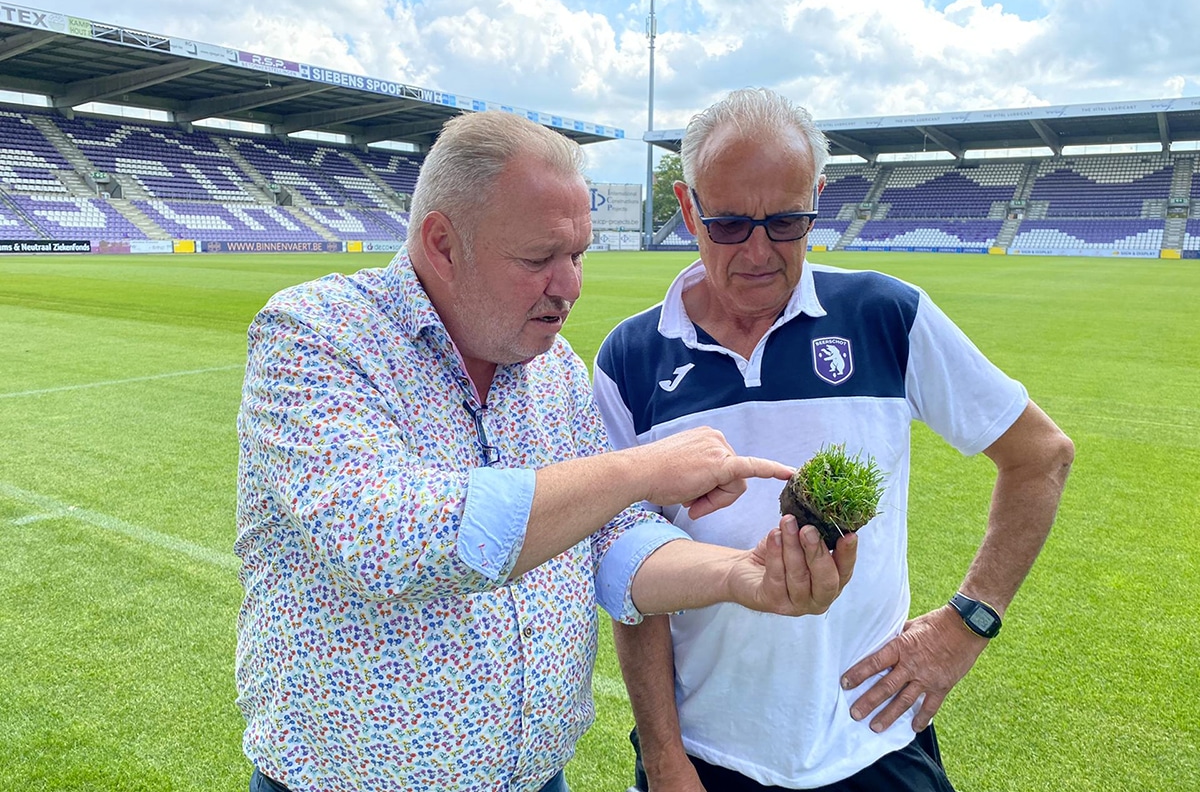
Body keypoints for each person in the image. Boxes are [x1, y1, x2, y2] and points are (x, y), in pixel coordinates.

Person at [234, 109, 858, 792]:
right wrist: (643, 469)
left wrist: (739, 576)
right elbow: (388, 537)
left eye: (578, 255)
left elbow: (613, 539)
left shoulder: (553, 368)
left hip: (537, 776)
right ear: (443, 244)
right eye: (539, 259)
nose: (570, 287)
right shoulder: (317, 334)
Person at [593, 88, 1075, 792]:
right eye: (729, 224)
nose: (759, 251)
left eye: (786, 222)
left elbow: (1041, 456)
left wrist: (967, 622)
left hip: (871, 740)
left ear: (817, 199)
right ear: (688, 208)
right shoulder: (631, 357)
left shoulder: (886, 315)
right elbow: (627, 570)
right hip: (704, 754)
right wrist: (665, 757)